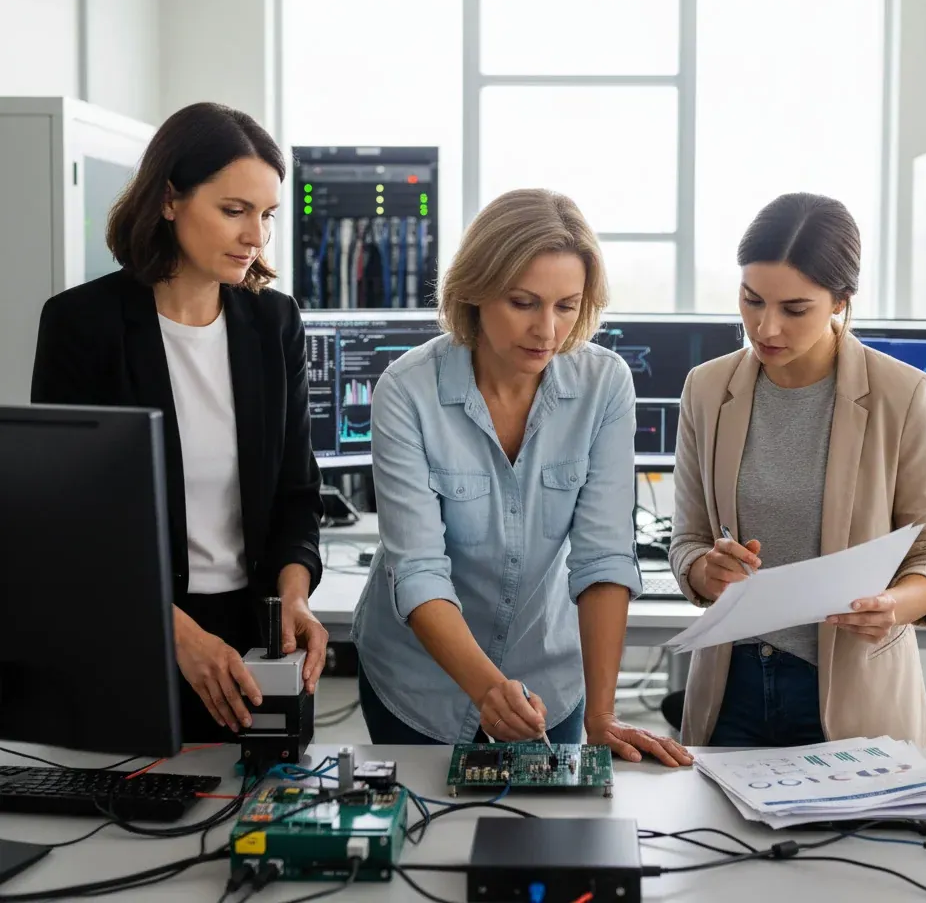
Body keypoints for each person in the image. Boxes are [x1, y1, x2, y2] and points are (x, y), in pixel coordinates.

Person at [353, 189, 692, 767]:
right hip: (419, 685)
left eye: (567, 305)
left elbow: (603, 557)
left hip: (547, 677)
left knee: (547, 845)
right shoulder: (407, 390)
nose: (547, 329)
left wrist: (602, 713)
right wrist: (486, 689)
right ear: (475, 291)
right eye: (523, 302)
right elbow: (417, 571)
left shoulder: (604, 385)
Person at [31, 102, 329, 744]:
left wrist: (295, 596)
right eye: (234, 210)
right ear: (170, 199)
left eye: (266, 215)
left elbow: (297, 496)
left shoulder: (274, 323)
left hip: (253, 642)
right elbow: (71, 526)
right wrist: (177, 635)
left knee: (254, 828)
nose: (256, 236)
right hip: (135, 635)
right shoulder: (83, 326)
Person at [670, 192, 926, 749]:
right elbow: (687, 542)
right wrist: (707, 572)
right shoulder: (706, 390)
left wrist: (894, 606)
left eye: (794, 309)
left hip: (854, 692)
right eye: (751, 300)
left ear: (839, 301)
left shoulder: (904, 395)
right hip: (731, 691)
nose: (766, 327)